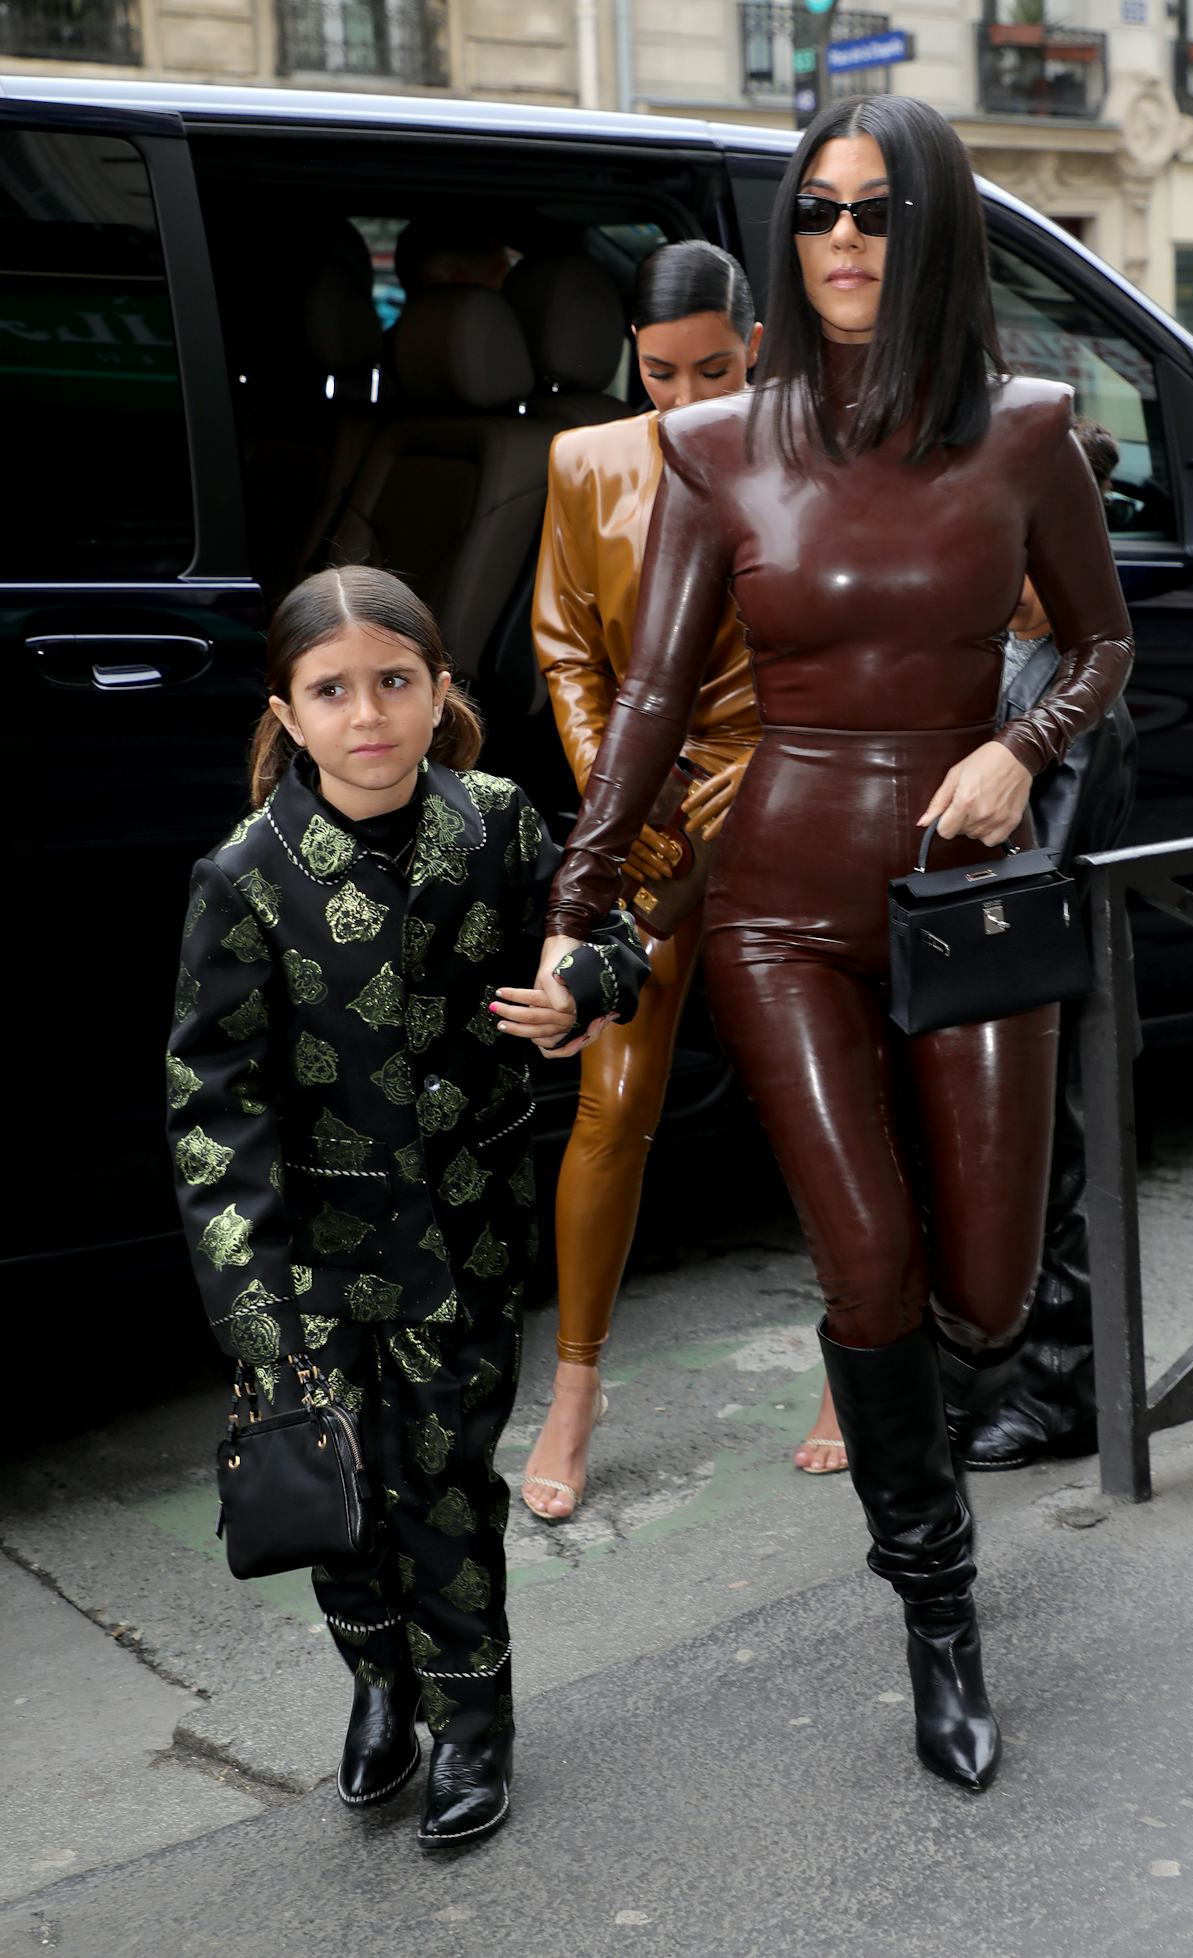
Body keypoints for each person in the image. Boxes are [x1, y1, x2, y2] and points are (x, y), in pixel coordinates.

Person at [511, 96, 1133, 1793]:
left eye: (877, 211)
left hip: (959, 895)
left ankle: (915, 1431)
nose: (846, 239)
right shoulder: (720, 446)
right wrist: (579, 918)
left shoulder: (1026, 430)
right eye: (819, 213)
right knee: (866, 1265)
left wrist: (1022, 746)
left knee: (989, 1297)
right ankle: (939, 1612)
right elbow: (645, 699)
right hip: (776, 901)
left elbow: (1101, 641)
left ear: (929, 234)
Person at [166, 567, 646, 1844]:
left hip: (468, 1233)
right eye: (333, 689)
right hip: (313, 1258)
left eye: (395, 680)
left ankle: (474, 1716)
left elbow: (614, 926)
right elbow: (215, 1105)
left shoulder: (496, 825)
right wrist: (253, 1304)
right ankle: (380, 1682)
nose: (367, 712)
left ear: (440, 693)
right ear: (289, 709)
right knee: (338, 1487)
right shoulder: (247, 876)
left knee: (443, 1479)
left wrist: (584, 980)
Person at [520, 241, 843, 1517]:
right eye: (659, 372)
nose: (685, 394)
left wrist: (755, 775)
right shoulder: (583, 460)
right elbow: (561, 645)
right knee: (612, 1101)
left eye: (714, 366)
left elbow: (837, 639)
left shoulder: (815, 451)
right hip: (640, 817)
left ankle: (856, 1350)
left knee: (821, 1089)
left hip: (778, 801)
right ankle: (574, 1386)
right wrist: (620, 792)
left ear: (754, 345)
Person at [967, 417, 1139, 1470]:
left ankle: (1059, 1390)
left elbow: (1054, 848)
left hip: (1056, 963)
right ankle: (1002, 1372)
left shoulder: (1080, 686)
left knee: (1060, 1171)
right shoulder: (1000, 649)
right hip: (1008, 954)